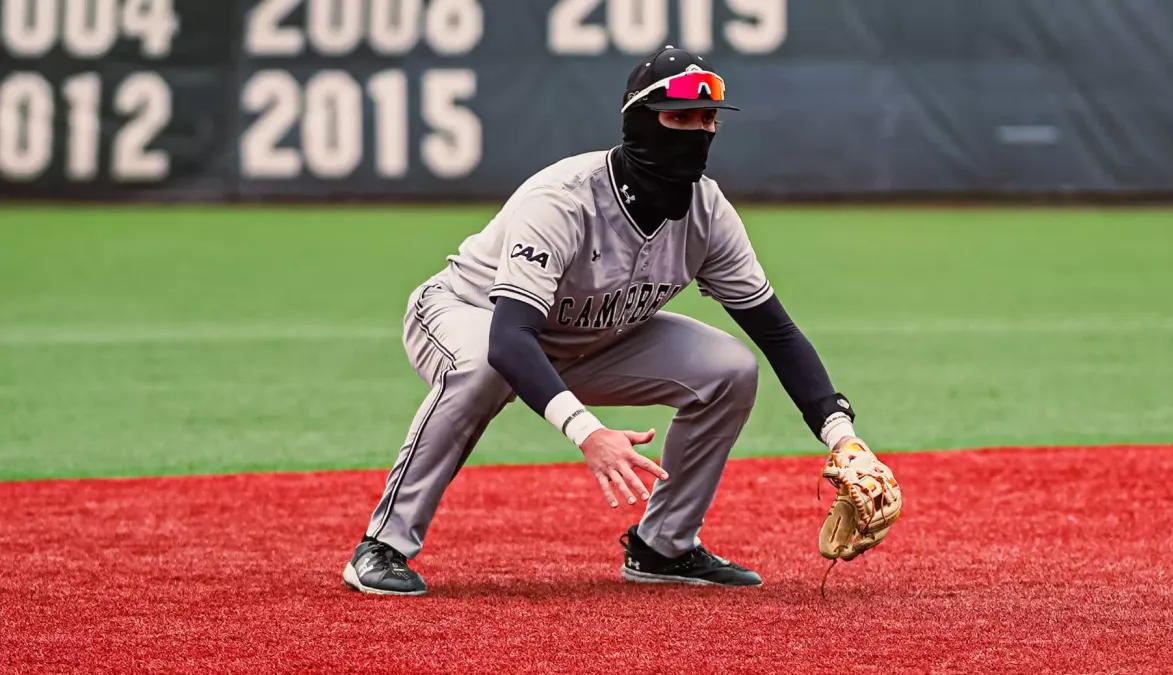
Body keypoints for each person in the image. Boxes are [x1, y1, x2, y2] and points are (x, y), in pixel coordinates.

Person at [342, 46, 902, 596]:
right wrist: (589, 433)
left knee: (730, 369)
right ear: (640, 120)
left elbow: (776, 331)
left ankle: (664, 546)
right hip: (470, 313)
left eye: (707, 119)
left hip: (592, 339)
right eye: (679, 117)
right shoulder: (563, 200)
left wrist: (843, 437)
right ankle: (382, 545)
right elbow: (510, 340)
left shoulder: (707, 212)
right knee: (484, 368)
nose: (698, 131)